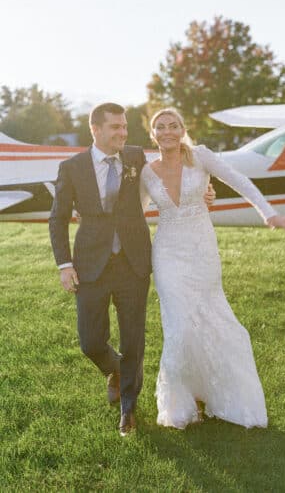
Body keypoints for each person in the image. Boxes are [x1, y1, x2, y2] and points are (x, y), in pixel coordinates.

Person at [49, 102, 215, 437]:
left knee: (133, 338)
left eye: (125, 127)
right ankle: (114, 370)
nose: (123, 133)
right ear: (95, 129)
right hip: (90, 264)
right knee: (90, 342)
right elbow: (57, 218)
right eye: (115, 128)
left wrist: (204, 190)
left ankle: (128, 409)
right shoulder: (72, 167)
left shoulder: (136, 157)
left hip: (134, 262)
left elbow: (178, 158)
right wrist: (64, 264)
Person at [140, 108, 285, 430]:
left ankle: (219, 394)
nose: (167, 131)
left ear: (183, 129)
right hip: (167, 253)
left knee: (212, 319)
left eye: (173, 125)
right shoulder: (147, 172)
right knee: (179, 328)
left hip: (202, 250)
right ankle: (182, 402)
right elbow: (136, 213)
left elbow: (240, 181)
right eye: (160, 127)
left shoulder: (201, 157)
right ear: (153, 134)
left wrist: (267, 214)